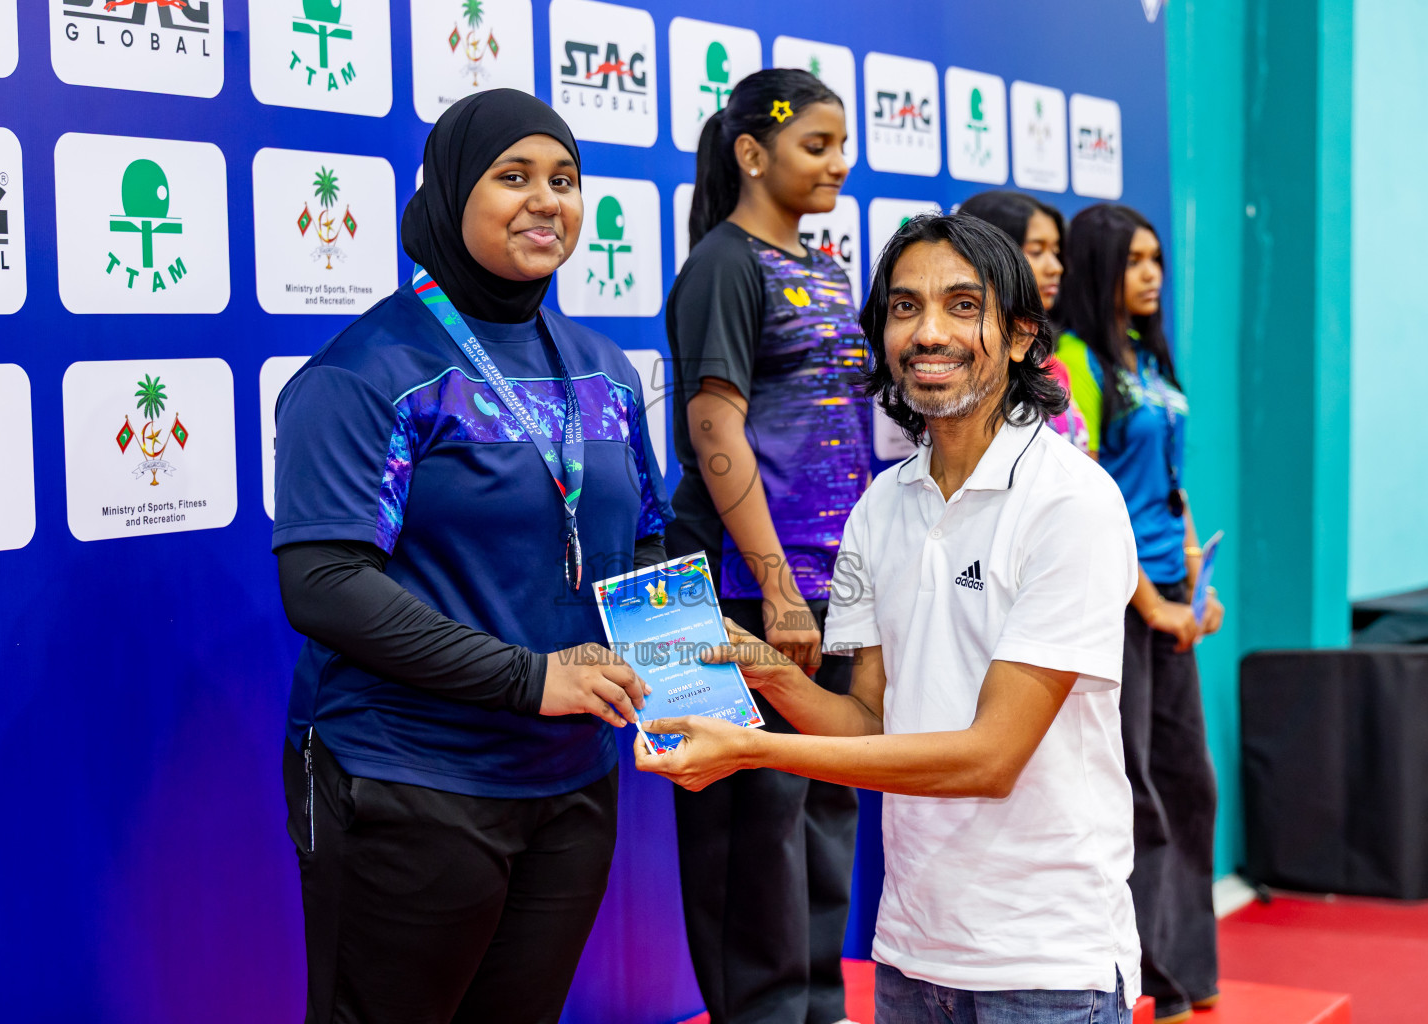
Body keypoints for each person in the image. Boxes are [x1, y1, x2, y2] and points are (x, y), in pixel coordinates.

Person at [641, 212, 1141, 1024]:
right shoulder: (879, 507)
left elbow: (990, 758)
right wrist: (761, 670)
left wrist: (753, 749)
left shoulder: (1071, 502)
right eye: (905, 307)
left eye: (962, 305)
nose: (928, 332)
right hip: (911, 954)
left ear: (1021, 338)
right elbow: (869, 722)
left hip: (1047, 962)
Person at [271, 89, 671, 1024]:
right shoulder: (367, 371)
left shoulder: (604, 370)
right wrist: (530, 679)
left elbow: (645, 541)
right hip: (410, 780)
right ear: (452, 195)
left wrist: (691, 685)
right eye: (513, 176)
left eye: (565, 180)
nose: (546, 201)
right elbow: (324, 585)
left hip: (573, 781)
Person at [665, 67, 868, 1024]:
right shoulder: (723, 264)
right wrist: (777, 588)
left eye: (841, 144)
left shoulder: (828, 270)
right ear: (752, 153)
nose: (839, 163)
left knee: (824, 807)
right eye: (816, 145)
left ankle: (818, 1010)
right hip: (733, 587)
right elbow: (715, 426)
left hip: (830, 586)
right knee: (747, 832)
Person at [1054, 203, 1224, 1024]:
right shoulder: (1074, 361)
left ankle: (1189, 966)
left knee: (1192, 782)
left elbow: (1171, 488)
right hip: (1119, 607)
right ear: (1098, 268)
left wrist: (1196, 586)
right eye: (1134, 260)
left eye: (1157, 258)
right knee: (1137, 792)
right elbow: (1089, 498)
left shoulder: (1152, 361)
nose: (1153, 274)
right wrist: (1152, 605)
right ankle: (1149, 975)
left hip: (1167, 604)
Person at [958, 190, 1089, 452]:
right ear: (990, 255)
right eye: (1037, 251)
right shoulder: (962, 368)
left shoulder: (1054, 366)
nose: (1056, 267)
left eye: (1055, 252)